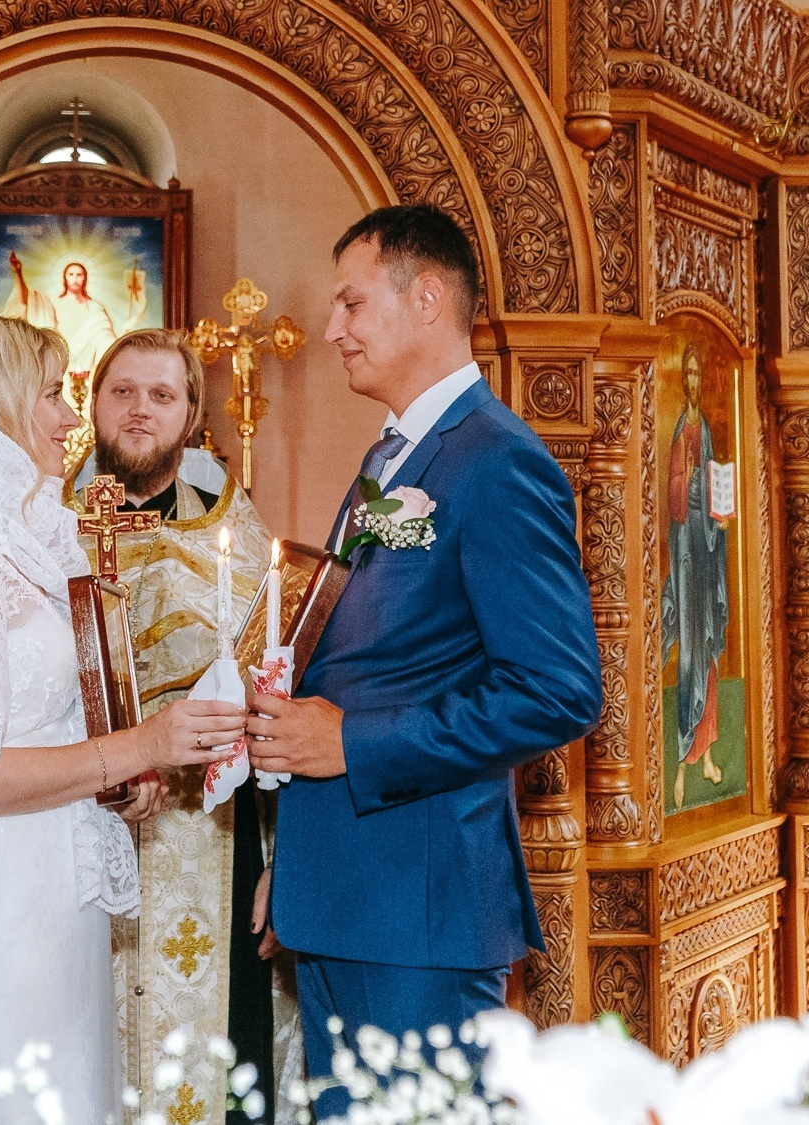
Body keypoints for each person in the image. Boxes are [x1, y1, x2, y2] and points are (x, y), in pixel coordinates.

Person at [0, 315, 248, 1122]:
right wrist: (138, 745)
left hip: (56, 898)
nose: (71, 420)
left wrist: (119, 777)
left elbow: (59, 713)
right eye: (52, 395)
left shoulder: (28, 541)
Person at [246, 205, 602, 1118]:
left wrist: (354, 743)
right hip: (344, 897)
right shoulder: (392, 454)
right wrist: (294, 862)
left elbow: (558, 688)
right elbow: (363, 662)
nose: (333, 329)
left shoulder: (497, 461)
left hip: (418, 914)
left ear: (428, 299)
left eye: (352, 304)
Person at [70, 329, 295, 1124]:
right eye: (122, 390)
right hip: (64, 841)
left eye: (162, 395)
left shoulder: (237, 545)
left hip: (206, 842)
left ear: (193, 416)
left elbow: (272, 703)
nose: (139, 410)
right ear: (90, 404)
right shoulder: (39, 535)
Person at [661, 342, 728, 807]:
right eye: (687, 373)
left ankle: (706, 751)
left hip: (707, 547)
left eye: (699, 374)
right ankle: (684, 754)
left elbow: (712, 480)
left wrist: (720, 510)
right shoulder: (681, 428)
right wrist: (690, 485)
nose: (693, 381)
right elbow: (673, 491)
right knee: (689, 646)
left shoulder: (703, 425)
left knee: (706, 644)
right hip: (686, 548)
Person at [3, 254, 148, 376]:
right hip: (56, 374)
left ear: (85, 278)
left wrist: (121, 341)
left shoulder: (95, 309)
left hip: (86, 378)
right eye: (71, 274)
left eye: (79, 275)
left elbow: (105, 343)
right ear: (65, 278)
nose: (75, 278)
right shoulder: (51, 303)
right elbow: (26, 300)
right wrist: (18, 274)